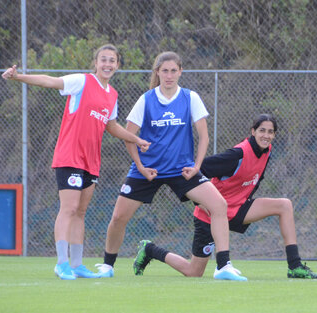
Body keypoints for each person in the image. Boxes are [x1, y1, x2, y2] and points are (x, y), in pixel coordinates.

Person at [1, 44, 150, 280]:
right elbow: (50, 81)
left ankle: (78, 264)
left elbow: (111, 126)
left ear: (118, 65)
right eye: (103, 60)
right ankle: (61, 263)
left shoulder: (112, 94)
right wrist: (19, 77)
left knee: (80, 212)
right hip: (70, 156)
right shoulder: (82, 81)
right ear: (96, 62)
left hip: (91, 160)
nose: (108, 64)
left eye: (112, 61)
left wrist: (136, 139)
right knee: (68, 208)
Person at [95, 51, 246, 281]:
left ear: (180, 72)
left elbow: (203, 136)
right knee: (118, 218)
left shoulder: (190, 97)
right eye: (164, 71)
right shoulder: (146, 99)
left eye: (173, 70)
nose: (169, 75)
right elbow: (129, 136)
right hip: (148, 171)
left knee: (219, 205)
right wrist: (140, 167)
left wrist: (196, 166)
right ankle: (107, 266)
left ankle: (223, 266)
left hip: (181, 170)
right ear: (157, 72)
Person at [130, 113, 317, 279]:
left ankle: (295, 266)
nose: (266, 135)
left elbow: (255, 180)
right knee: (193, 272)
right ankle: (150, 249)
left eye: (270, 132)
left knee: (284, 205)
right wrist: (201, 201)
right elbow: (198, 169)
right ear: (253, 131)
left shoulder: (267, 151)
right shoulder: (237, 155)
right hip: (212, 214)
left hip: (238, 208)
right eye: (262, 130)